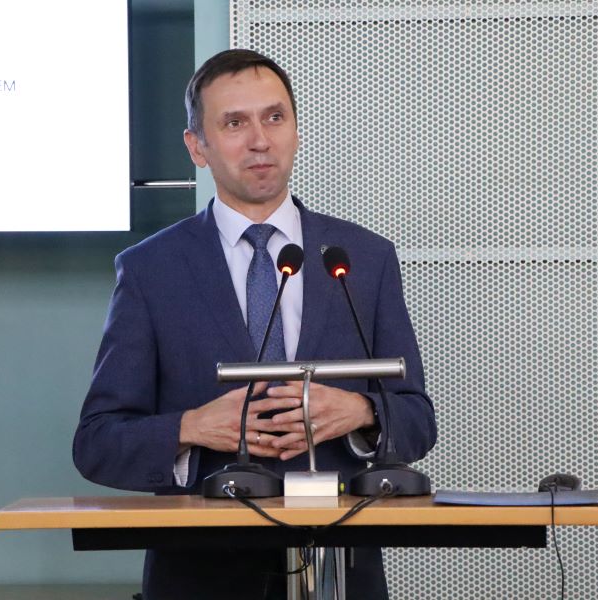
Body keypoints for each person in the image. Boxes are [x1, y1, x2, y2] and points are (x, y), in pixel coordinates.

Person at [73, 49, 437, 599]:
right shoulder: (150, 270)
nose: (260, 140)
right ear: (197, 147)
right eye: (234, 123)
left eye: (274, 117)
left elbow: (418, 420)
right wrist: (192, 427)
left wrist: (361, 412)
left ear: (295, 131)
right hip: (200, 577)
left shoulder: (364, 258)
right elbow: (97, 442)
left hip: (340, 574)